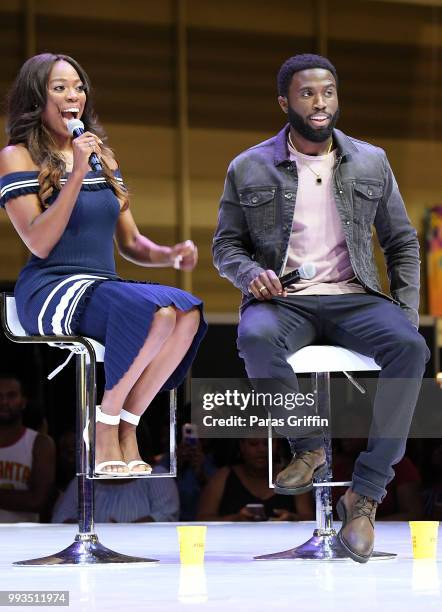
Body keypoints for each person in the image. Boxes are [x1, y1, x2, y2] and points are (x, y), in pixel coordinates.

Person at [212, 53, 430, 562]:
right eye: (308, 93)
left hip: (354, 297)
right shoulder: (248, 166)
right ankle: (308, 447)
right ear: (284, 101)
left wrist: (405, 309)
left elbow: (402, 242)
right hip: (285, 299)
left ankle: (367, 492)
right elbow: (226, 247)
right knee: (255, 337)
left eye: (328, 92)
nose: (320, 102)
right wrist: (250, 274)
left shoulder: (371, 159)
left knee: (410, 348)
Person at [0, 53, 207, 478]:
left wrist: (168, 254)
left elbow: (130, 242)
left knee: (185, 311)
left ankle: (126, 424)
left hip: (101, 287)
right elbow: (38, 241)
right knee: (156, 312)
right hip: (50, 286)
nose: (72, 95)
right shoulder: (16, 156)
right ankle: (105, 422)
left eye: (77, 86)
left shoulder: (104, 157)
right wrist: (74, 173)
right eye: (59, 88)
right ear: (36, 99)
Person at [197, 439, 313, 522]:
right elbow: (202, 519)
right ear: (241, 446)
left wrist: (292, 519)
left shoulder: (294, 476)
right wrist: (235, 519)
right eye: (253, 444)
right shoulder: (223, 476)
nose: (261, 449)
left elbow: (310, 519)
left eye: (267, 443)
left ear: (276, 445)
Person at [0, 374, 55, 522]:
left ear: (23, 401)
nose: (4, 402)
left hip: (23, 540)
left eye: (11, 396)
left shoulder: (40, 444)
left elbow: (37, 501)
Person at [51, 465, 179, 523]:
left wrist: (121, 532)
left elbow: (166, 516)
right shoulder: (85, 480)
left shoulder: (156, 476)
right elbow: (60, 519)